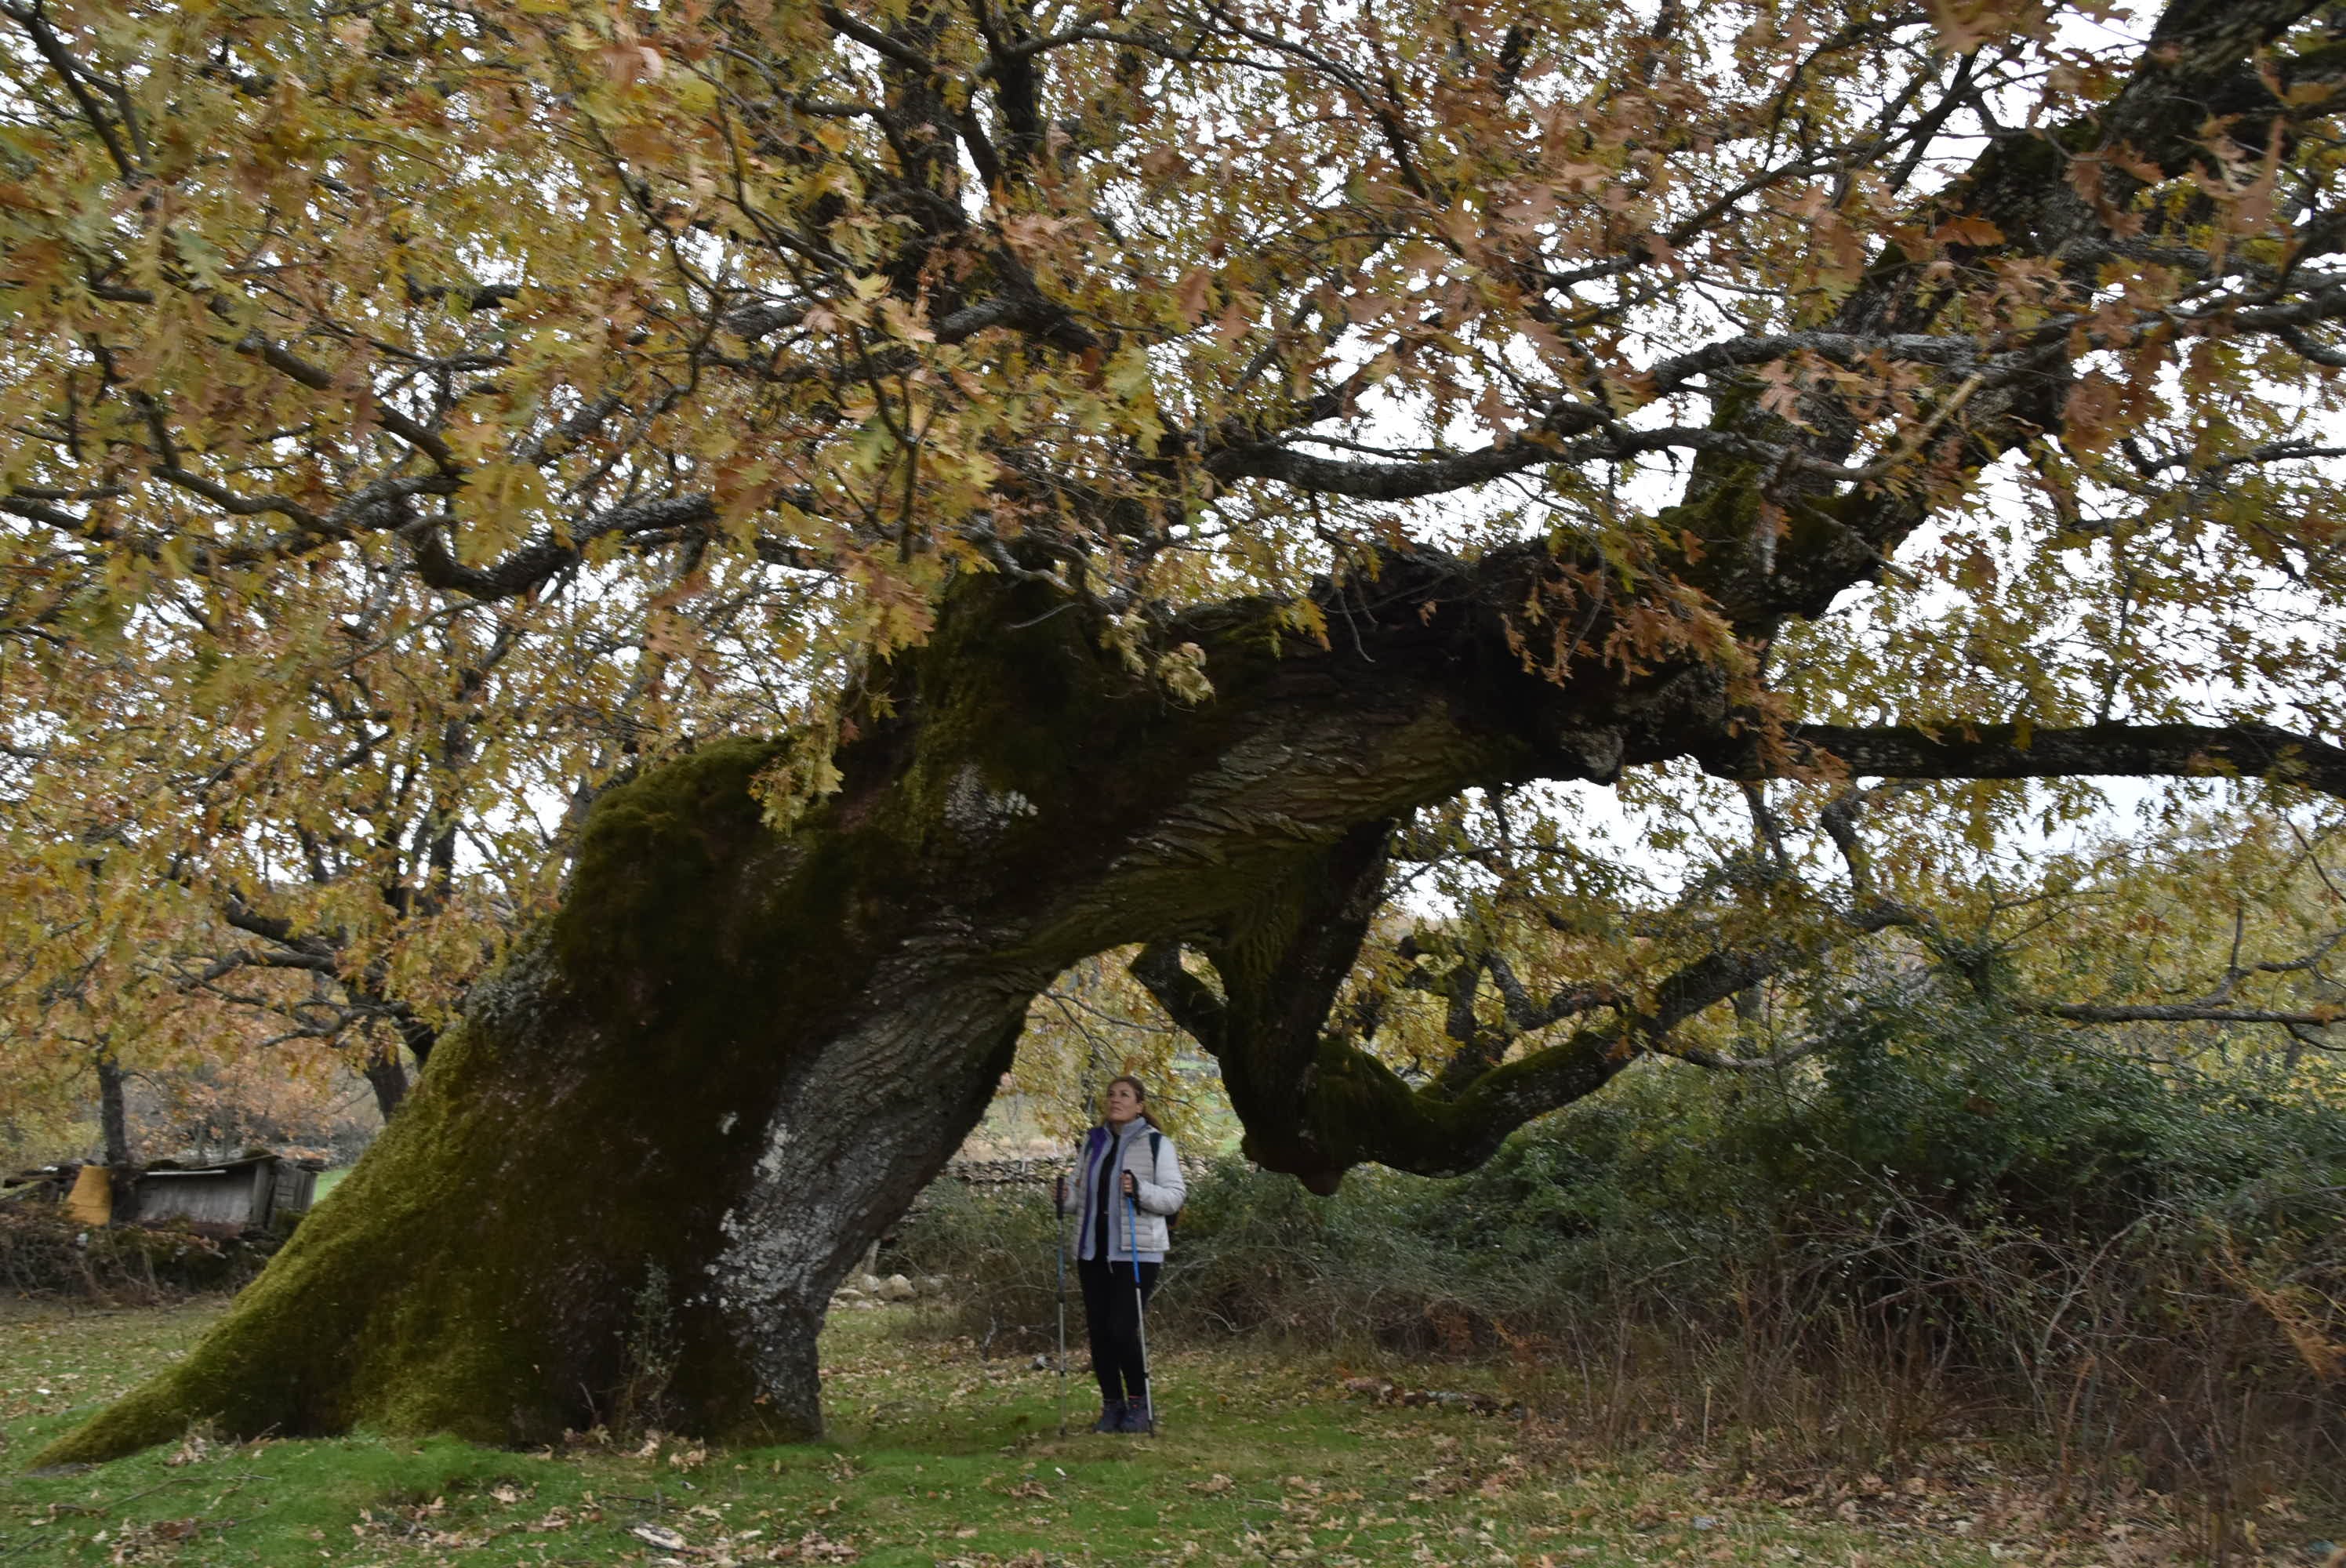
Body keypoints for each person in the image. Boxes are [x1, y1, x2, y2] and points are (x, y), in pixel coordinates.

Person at [1054, 1075, 1186, 1433]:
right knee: (1099, 1332)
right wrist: (1064, 1198)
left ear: (1140, 1105)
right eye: (1111, 1094)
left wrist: (1140, 1190)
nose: (1115, 1100)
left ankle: (1140, 1406)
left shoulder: (1158, 1144)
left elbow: (1174, 1197)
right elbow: (1079, 1200)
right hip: (1092, 1251)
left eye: (1124, 1095)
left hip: (1138, 1253)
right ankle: (1112, 1405)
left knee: (1123, 1329)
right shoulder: (1093, 1143)